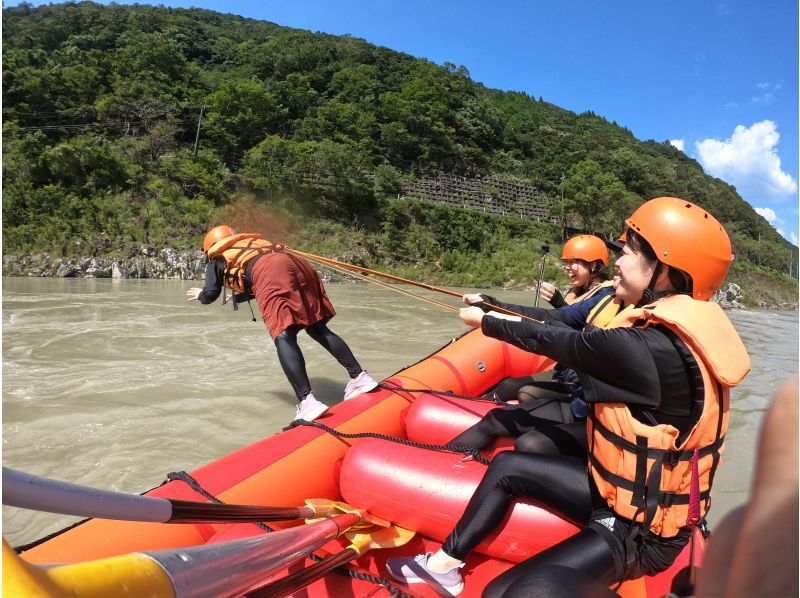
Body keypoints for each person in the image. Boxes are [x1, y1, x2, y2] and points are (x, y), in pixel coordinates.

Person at [386, 197, 751, 597]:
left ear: (663, 271)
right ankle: (444, 565)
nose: (618, 261)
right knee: (509, 465)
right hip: (613, 491)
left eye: (628, 252)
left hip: (641, 531)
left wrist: (488, 321)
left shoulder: (650, 349)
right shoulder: (660, 334)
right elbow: (559, 328)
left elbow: (558, 340)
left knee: (502, 593)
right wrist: (492, 311)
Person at [186, 225, 377, 422]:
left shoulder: (217, 257)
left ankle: (307, 402)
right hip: (298, 266)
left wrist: (201, 294)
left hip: (271, 272)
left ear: (210, 246)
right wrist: (238, 298)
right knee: (316, 326)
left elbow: (210, 294)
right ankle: (359, 377)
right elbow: (265, 276)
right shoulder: (254, 245)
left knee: (284, 334)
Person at [539, 234, 612, 308]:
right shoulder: (579, 289)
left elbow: (580, 318)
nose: (566, 267)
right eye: (566, 262)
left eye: (572, 262)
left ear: (593, 265)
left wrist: (558, 302)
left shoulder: (604, 294)